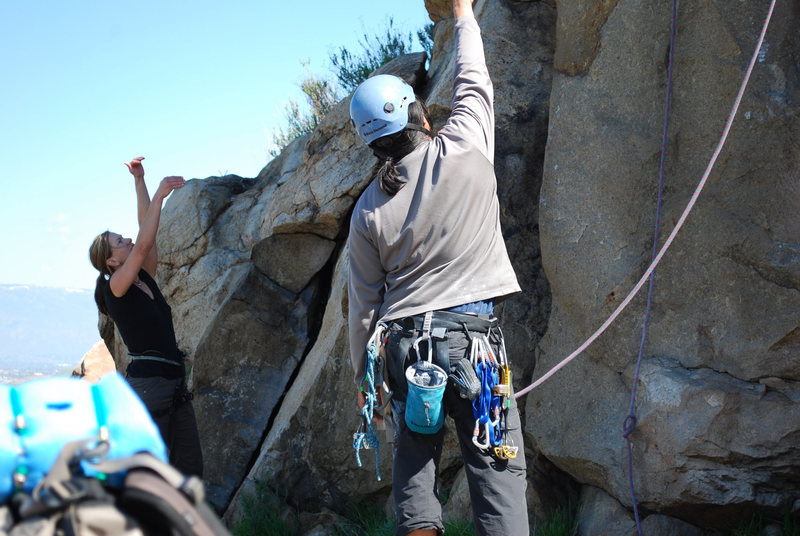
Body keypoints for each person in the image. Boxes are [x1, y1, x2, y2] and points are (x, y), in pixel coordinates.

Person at [347, 1, 529, 535]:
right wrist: (463, 14)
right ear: (418, 115)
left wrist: (367, 384)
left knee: (415, 470)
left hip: (407, 349)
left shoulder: (367, 209)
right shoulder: (467, 147)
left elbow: (362, 307)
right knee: (498, 475)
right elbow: (474, 80)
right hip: (475, 347)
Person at [88, 156, 203, 478]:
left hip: (173, 382)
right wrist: (160, 196)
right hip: (149, 386)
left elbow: (144, 234)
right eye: (119, 243)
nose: (127, 240)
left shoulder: (144, 278)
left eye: (123, 237)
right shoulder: (116, 287)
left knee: (189, 465)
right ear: (111, 261)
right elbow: (144, 244)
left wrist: (140, 181)